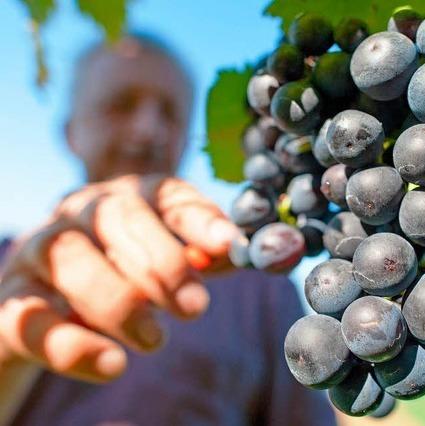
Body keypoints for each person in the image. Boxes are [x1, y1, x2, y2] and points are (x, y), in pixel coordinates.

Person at [0, 34, 337, 426]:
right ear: (71, 133)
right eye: (120, 104)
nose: (147, 129)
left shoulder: (262, 287)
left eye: (171, 113)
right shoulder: (11, 274)